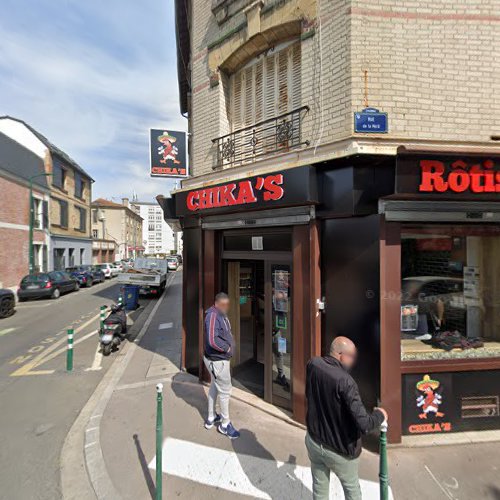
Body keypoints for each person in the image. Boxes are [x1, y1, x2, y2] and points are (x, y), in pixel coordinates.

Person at [305, 337, 388, 500]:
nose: (353, 361)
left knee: (319, 489)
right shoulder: (346, 381)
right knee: (352, 491)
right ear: (342, 355)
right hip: (340, 451)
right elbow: (364, 424)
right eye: (352, 356)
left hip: (314, 442)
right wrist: (381, 415)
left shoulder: (313, 364)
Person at [203, 292, 240, 439]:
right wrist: (227, 348)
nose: (226, 307)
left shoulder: (220, 314)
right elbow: (212, 340)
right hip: (218, 361)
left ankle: (211, 417)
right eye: (223, 304)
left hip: (217, 361)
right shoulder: (213, 316)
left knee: (214, 386)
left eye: (227, 304)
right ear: (216, 303)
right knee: (225, 392)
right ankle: (225, 424)